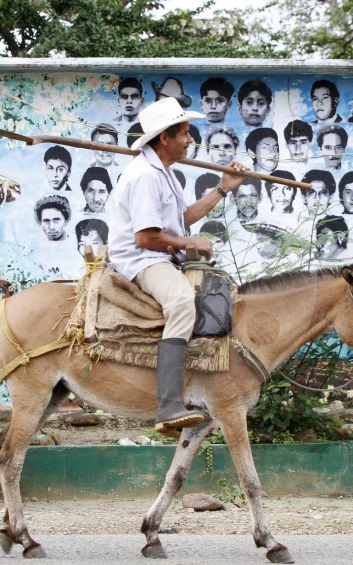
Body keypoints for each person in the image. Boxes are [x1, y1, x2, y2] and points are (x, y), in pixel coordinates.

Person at [107, 97, 248, 436]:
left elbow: (181, 220)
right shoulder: (144, 176)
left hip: (161, 255)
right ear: (164, 138)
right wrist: (191, 243)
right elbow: (145, 237)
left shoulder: (166, 173)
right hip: (142, 259)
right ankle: (169, 405)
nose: (190, 140)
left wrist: (222, 189)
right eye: (184, 133)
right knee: (183, 302)